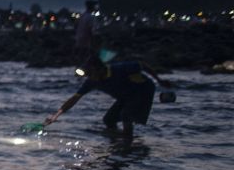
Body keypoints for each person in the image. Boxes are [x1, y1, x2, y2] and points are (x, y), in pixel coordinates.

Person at [44, 55, 173, 138]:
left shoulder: (119, 69)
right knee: (109, 120)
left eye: (91, 73)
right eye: (87, 74)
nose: (89, 77)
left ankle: (128, 143)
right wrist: (56, 115)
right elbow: (74, 99)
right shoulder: (91, 81)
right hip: (125, 96)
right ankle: (117, 140)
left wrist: (159, 80)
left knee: (126, 116)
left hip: (143, 91)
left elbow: (142, 65)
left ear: (100, 69)